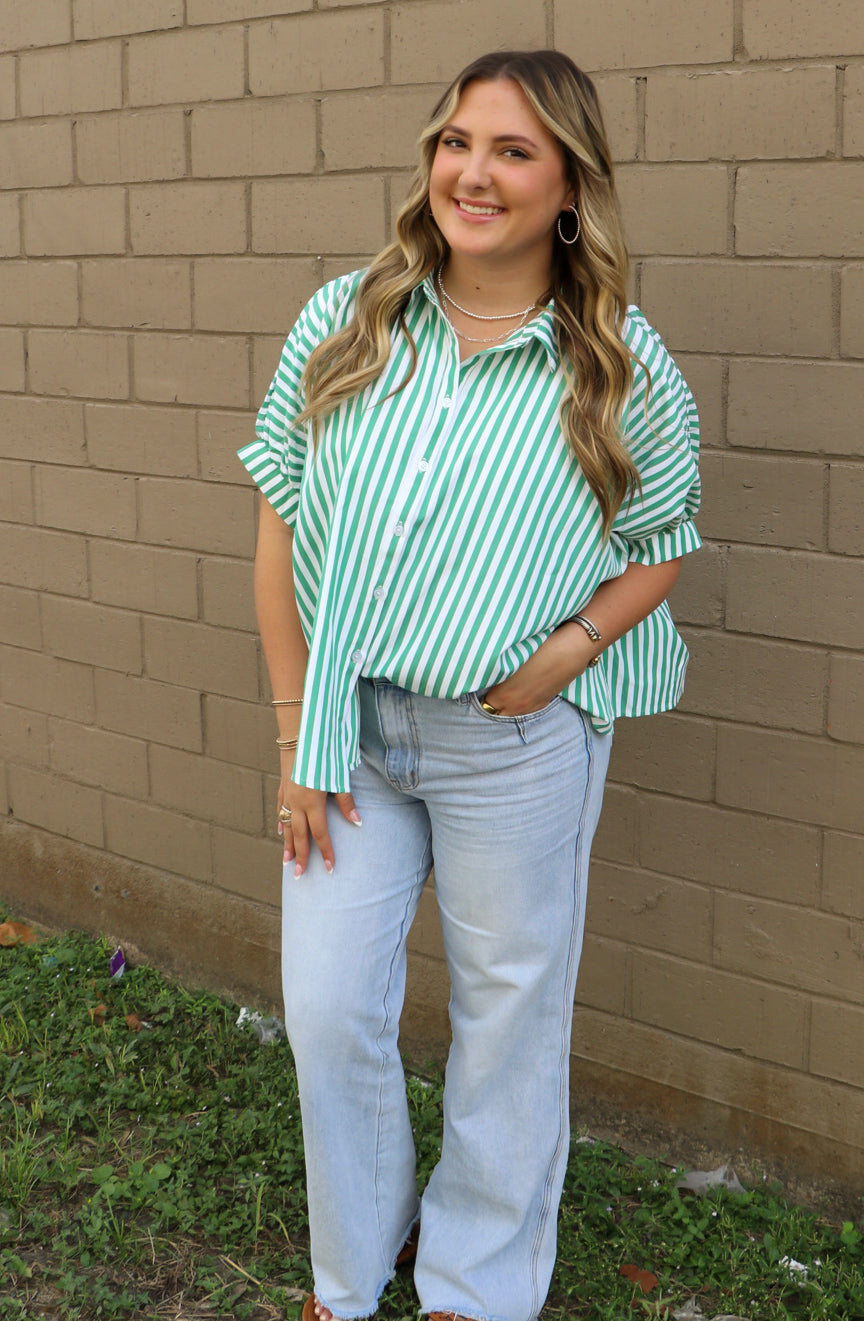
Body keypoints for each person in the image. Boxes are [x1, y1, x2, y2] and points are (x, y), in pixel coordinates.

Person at [239, 48, 700, 1321]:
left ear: (568, 186)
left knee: (507, 1020)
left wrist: (566, 654)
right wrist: (295, 735)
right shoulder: (350, 317)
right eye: (455, 142)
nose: (472, 173)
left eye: (512, 150)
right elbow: (281, 528)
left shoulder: (617, 360)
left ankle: (477, 1279)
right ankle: (363, 1250)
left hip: (517, 746)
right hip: (346, 730)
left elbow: (663, 542)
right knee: (328, 1006)